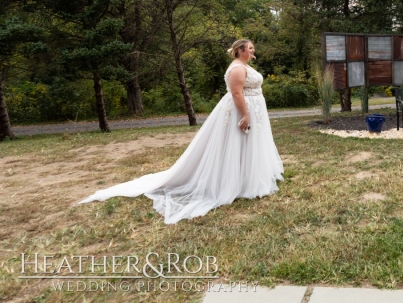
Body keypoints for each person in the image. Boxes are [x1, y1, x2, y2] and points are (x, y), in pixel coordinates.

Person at [79, 39, 284, 223]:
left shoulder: (244, 66)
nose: (252, 51)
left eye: (253, 48)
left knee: (249, 145)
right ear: (240, 50)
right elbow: (237, 93)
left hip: (254, 109)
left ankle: (248, 178)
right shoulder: (238, 69)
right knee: (238, 144)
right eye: (249, 48)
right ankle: (235, 183)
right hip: (243, 110)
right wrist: (245, 115)